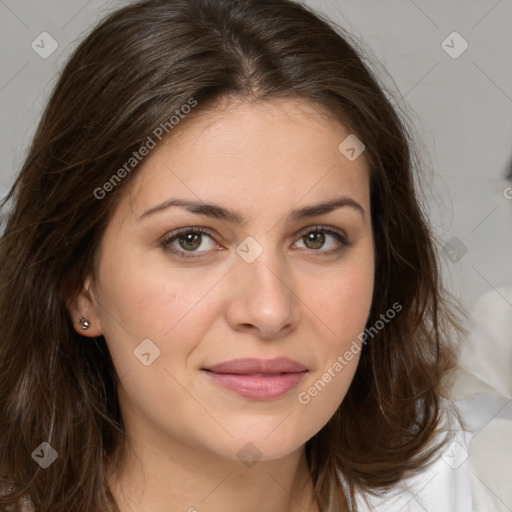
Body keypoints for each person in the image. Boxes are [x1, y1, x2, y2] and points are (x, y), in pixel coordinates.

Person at [0, 1, 468, 510]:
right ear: (79, 285)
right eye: (191, 240)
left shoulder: (471, 488)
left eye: (317, 238)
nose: (269, 311)